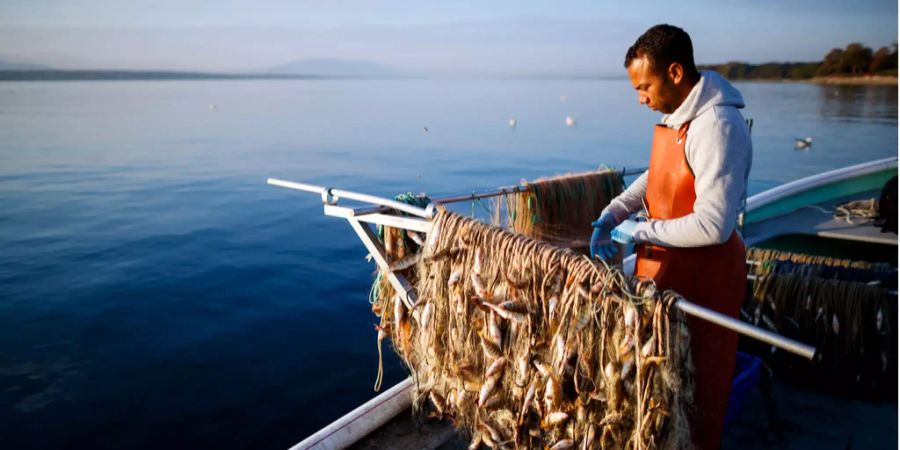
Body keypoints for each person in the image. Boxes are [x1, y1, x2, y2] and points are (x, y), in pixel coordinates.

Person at [589, 24, 752, 450]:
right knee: (661, 385)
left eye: (645, 86)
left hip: (707, 280)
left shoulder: (718, 126)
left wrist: (638, 230)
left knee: (701, 393)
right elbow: (656, 175)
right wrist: (614, 211)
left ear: (675, 73)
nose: (641, 98)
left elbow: (714, 224)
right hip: (669, 271)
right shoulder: (679, 115)